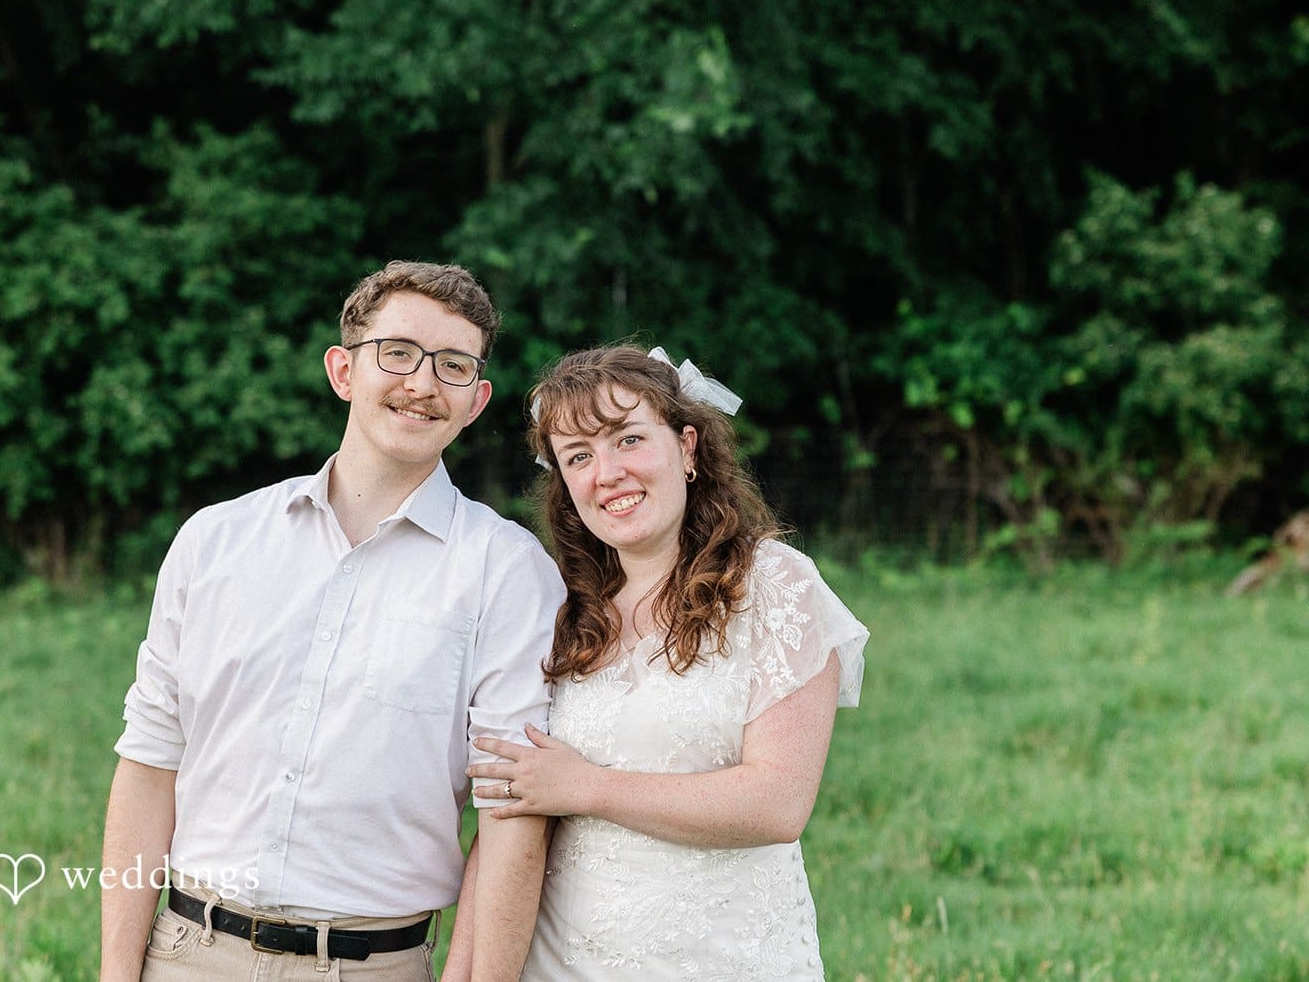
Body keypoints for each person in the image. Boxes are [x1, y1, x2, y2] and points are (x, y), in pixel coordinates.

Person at [100, 261, 563, 982]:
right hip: (185, 952)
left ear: (477, 400)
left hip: (372, 965)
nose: (422, 382)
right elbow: (150, 765)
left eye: (454, 365)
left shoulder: (506, 570)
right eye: (398, 353)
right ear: (343, 370)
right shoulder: (214, 540)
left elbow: (511, 814)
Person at [466, 344, 869, 979]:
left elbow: (779, 804)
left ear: (687, 448)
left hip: (722, 959)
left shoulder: (776, 586)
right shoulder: (563, 613)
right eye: (579, 456)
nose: (607, 473)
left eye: (627, 439)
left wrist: (589, 788)